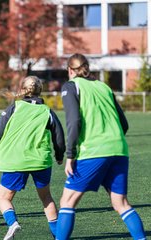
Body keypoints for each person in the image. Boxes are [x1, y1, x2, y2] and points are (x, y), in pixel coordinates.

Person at [56, 53, 146, 240]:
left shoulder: (71, 86)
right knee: (120, 202)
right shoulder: (104, 87)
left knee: (67, 201)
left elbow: (73, 122)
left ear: (70, 70)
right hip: (119, 150)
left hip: (93, 151)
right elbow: (124, 124)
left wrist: (70, 155)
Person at [0, 76, 65, 240]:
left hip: (15, 160)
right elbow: (59, 137)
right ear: (40, 91)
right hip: (40, 160)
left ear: (23, 90)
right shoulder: (47, 111)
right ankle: (59, 236)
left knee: (4, 198)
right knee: (46, 198)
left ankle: (12, 224)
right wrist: (60, 156)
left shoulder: (14, 108)